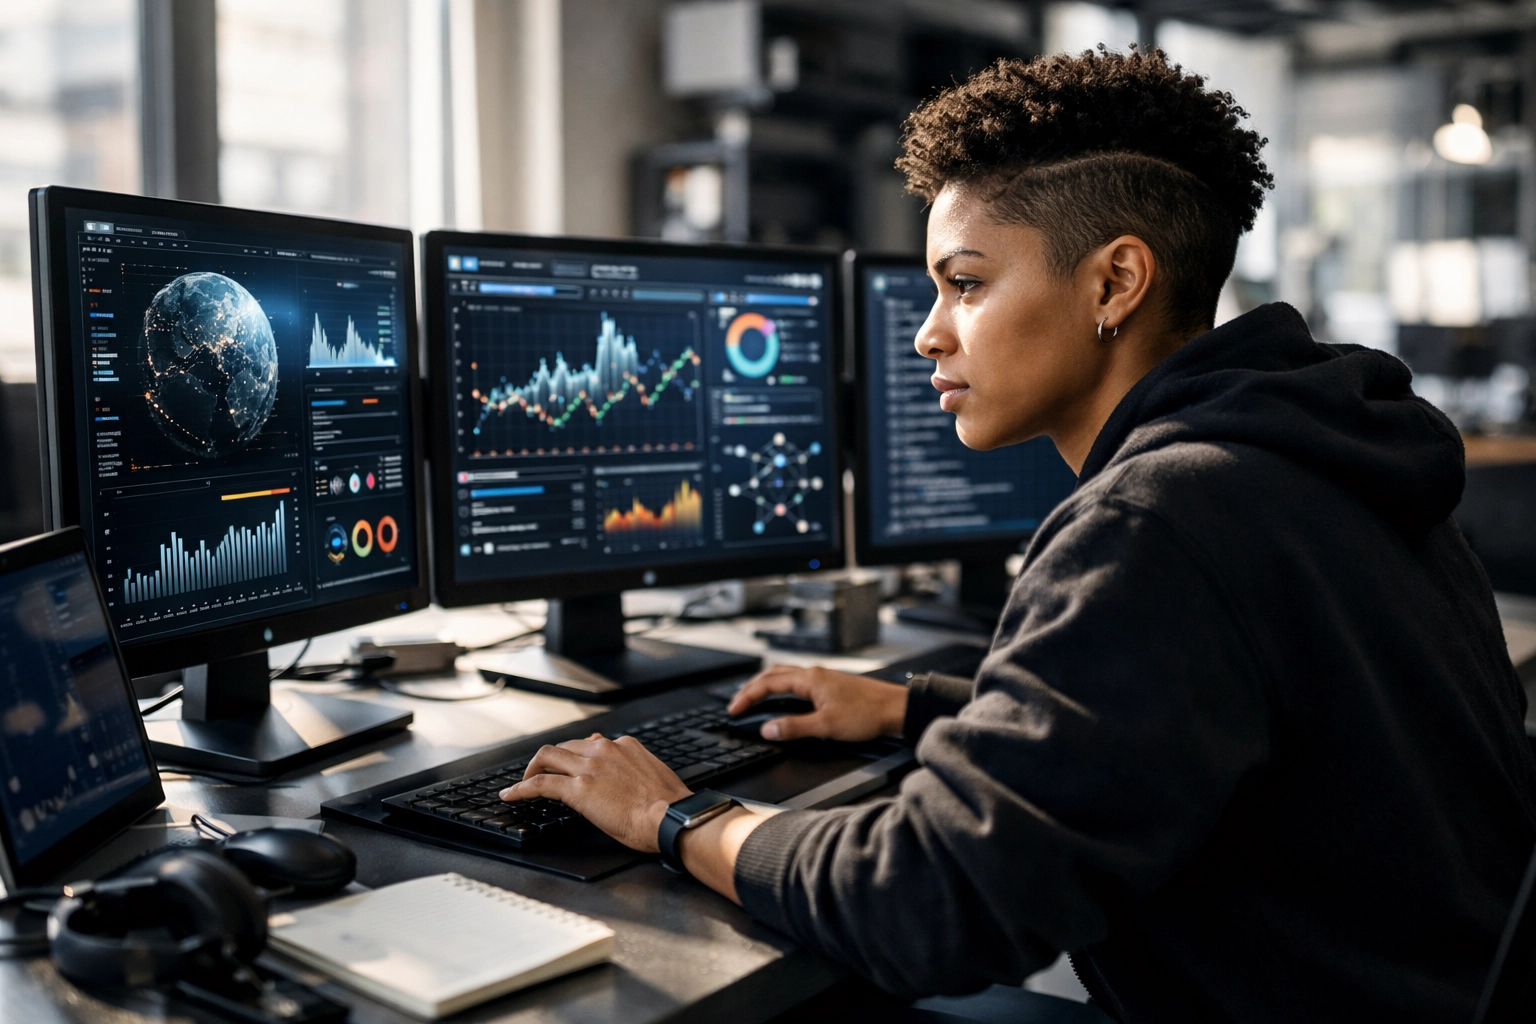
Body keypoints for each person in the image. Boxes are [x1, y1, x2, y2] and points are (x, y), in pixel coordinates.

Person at [500, 48, 1536, 1022]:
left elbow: (927, 904)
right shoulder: (1326, 453)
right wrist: (917, 704)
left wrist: (678, 819)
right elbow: (1223, 715)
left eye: (967, 282)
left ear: (1113, 284)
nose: (927, 331)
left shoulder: (1156, 521)